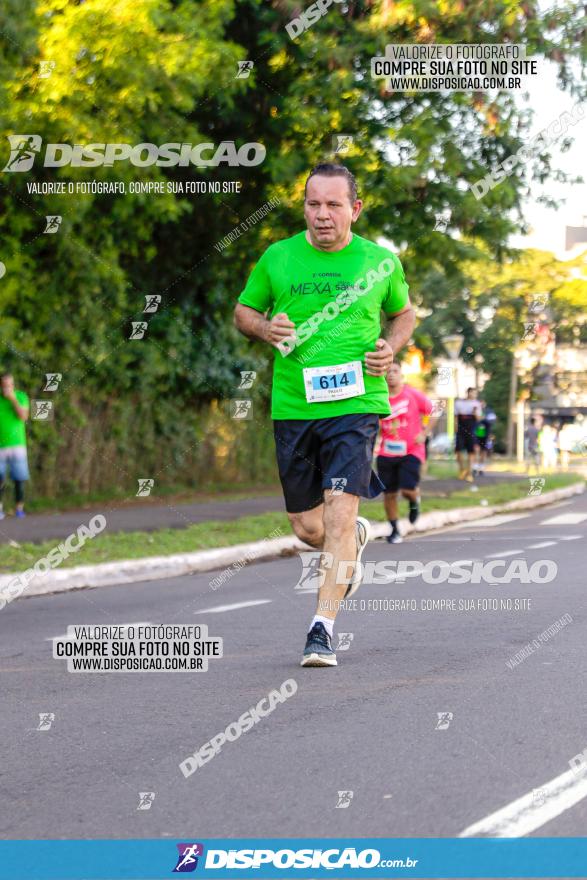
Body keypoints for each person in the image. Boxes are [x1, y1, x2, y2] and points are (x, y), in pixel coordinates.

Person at [234, 163, 415, 667]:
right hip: (295, 406)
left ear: (354, 209)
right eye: (314, 204)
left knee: (340, 507)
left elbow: (403, 314)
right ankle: (350, 544)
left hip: (356, 405)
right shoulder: (278, 256)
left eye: (334, 205)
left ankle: (322, 629)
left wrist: (390, 346)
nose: (322, 215)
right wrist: (266, 327)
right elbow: (243, 312)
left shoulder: (381, 262)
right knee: (305, 524)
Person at [375, 364, 433, 544]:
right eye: (387, 372)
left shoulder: (412, 394)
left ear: (401, 375)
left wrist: (424, 433)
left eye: (395, 371)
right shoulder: (378, 396)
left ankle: (414, 502)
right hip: (386, 452)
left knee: (407, 489)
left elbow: (435, 409)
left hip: (411, 451)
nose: (391, 375)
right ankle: (394, 530)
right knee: (389, 494)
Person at [0, 373, 30, 519]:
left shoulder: (21, 397)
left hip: (17, 445)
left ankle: (19, 509)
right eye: (4, 385)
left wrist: (13, 400)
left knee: (19, 478)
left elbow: (23, 416)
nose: (7, 388)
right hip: (0, 446)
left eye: (10, 384)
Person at [454, 387, 481, 482]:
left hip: (471, 429)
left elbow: (478, 419)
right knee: (458, 451)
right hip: (461, 430)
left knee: (471, 452)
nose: (474, 395)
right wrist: (455, 428)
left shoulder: (477, 404)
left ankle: (469, 473)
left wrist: (474, 413)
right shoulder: (459, 403)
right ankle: (462, 470)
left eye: (475, 393)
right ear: (468, 393)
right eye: (473, 393)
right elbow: (456, 417)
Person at [472, 399, 496, 476]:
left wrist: (484, 418)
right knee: (476, 449)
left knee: (483, 451)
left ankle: (481, 468)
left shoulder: (489, 411)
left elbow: (492, 421)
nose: (481, 404)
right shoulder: (474, 411)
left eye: (482, 403)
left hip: (485, 434)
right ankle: (475, 468)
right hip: (476, 433)